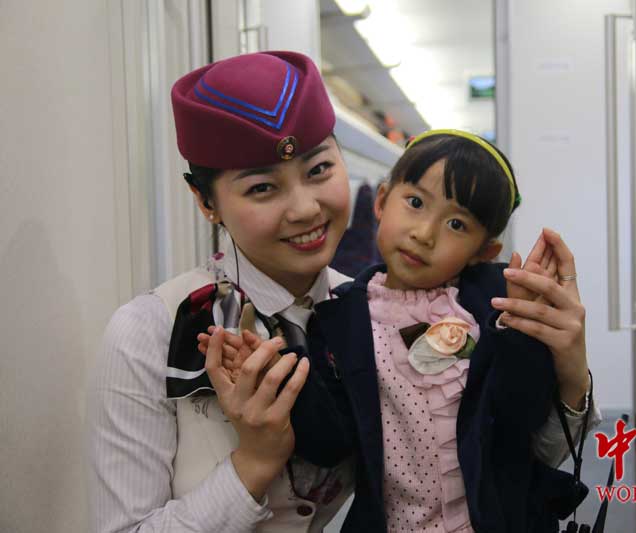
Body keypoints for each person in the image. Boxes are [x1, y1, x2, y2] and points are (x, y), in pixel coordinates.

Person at [87, 50, 594, 533]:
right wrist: (255, 462)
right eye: (262, 188)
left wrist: (569, 369)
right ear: (205, 201)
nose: (306, 209)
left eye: (319, 171)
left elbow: (501, 451)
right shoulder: (151, 332)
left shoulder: (364, 308)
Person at [202, 130, 601, 532]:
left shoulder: (492, 304)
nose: (424, 233)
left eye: (456, 224)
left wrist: (519, 333)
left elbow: (522, 417)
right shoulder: (340, 318)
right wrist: (276, 371)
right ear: (381, 201)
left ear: (484, 252)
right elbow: (331, 443)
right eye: (415, 203)